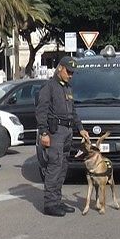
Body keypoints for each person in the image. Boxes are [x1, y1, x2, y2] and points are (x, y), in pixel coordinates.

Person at [35, 55, 83, 217]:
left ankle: (57, 199)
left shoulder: (67, 88)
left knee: (62, 167)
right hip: (54, 131)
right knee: (54, 166)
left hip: (67, 130)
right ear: (60, 68)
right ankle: (50, 204)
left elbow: (73, 111)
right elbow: (41, 111)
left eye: (73, 73)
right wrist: (43, 132)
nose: (70, 75)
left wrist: (80, 128)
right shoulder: (49, 87)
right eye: (68, 72)